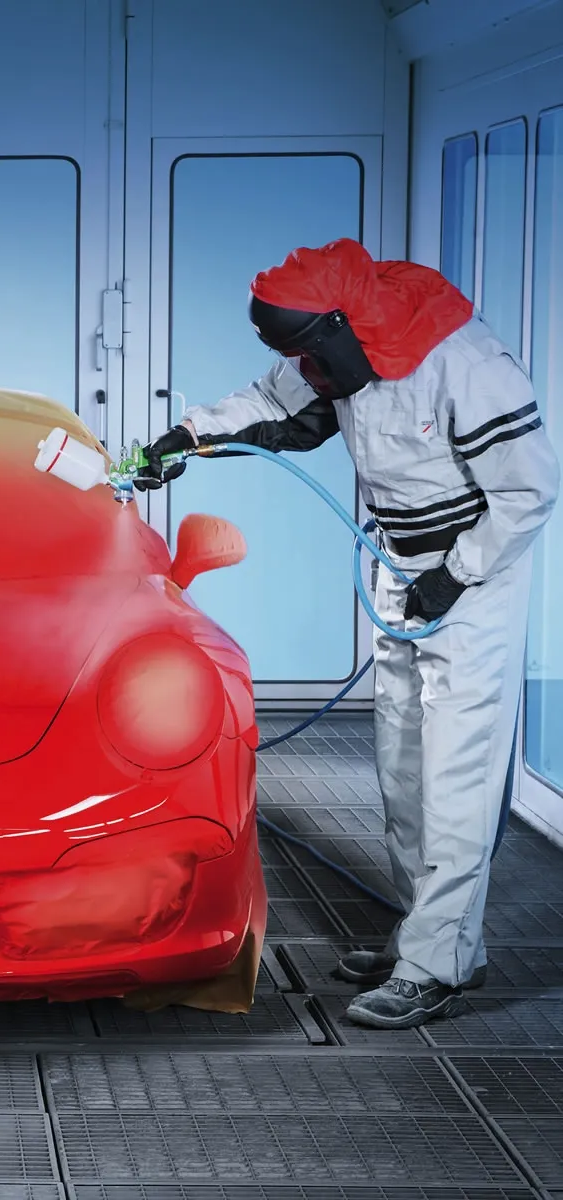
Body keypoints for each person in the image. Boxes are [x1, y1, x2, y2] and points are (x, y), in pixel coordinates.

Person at [135, 238, 560, 1030]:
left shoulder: (463, 361)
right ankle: (427, 935)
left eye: (307, 354)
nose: (305, 373)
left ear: (337, 325)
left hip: (473, 581)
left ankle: (437, 968)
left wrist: (457, 571)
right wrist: (183, 439)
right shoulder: (330, 351)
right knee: (401, 769)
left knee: (457, 775)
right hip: (397, 567)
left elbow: (530, 489)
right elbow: (266, 404)